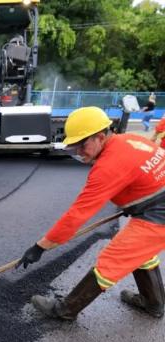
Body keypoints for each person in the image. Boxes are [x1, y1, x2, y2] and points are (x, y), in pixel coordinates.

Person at [16, 106, 165, 321]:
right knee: (141, 253)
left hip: (159, 214)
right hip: (154, 206)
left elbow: (76, 215)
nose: (78, 151)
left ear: (101, 136)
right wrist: (134, 203)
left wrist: (40, 247)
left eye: (82, 144)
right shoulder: (128, 140)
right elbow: (144, 174)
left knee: (112, 259)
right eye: (74, 146)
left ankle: (65, 310)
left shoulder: (108, 166)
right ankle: (154, 303)